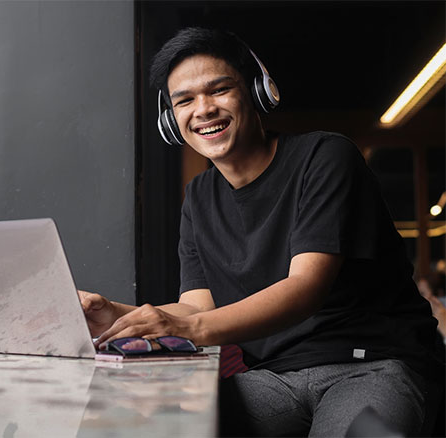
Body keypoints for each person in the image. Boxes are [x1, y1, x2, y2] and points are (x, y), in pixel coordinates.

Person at [78, 28, 443, 436]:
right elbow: (197, 308)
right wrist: (116, 315)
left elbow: (305, 287)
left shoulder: (324, 157)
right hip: (274, 378)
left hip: (369, 365)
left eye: (218, 90)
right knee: (158, 428)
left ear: (257, 91)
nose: (203, 110)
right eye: (185, 100)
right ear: (171, 119)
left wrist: (187, 329)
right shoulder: (198, 197)